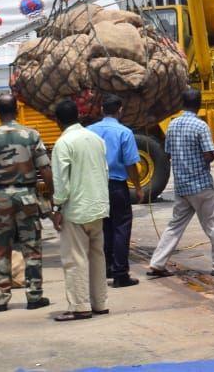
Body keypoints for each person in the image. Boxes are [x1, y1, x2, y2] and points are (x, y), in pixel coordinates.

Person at [0, 93, 53, 312]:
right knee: (31, 245)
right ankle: (34, 296)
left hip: (0, 197)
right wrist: (53, 195)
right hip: (26, 195)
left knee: (0, 247)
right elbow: (45, 168)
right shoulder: (31, 135)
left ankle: (1, 299)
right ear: (16, 111)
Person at [146, 88, 214, 278]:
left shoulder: (172, 125)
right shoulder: (200, 126)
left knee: (174, 226)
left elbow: (167, 154)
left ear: (182, 104)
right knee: (213, 226)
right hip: (201, 186)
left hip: (182, 187)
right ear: (199, 104)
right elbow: (210, 153)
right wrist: (205, 160)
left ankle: (157, 263)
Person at [50, 99, 110, 321]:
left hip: (76, 209)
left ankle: (80, 306)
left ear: (57, 121)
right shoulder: (95, 139)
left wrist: (57, 207)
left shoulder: (63, 144)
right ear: (78, 115)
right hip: (98, 206)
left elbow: (61, 183)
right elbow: (104, 170)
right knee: (97, 256)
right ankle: (100, 302)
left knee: (75, 259)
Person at [88, 95, 143, 288]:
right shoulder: (124, 132)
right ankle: (120, 274)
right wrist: (137, 187)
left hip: (96, 186)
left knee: (104, 228)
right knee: (121, 228)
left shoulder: (89, 131)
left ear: (102, 110)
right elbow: (130, 164)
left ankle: (106, 268)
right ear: (119, 110)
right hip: (117, 185)